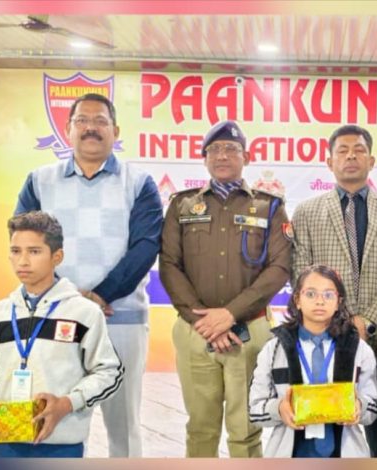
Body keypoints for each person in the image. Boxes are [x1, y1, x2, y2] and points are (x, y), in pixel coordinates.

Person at [14, 93, 163, 457]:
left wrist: (100, 296)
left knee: (123, 426)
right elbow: (23, 240)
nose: (91, 128)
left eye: (100, 121)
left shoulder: (139, 182)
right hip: (54, 317)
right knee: (50, 416)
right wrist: (67, 297)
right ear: (68, 129)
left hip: (120, 319)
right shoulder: (40, 180)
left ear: (116, 130)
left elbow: (145, 246)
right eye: (82, 120)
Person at [160, 120, 291, 457]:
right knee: (200, 429)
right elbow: (169, 265)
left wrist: (230, 315)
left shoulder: (270, 207)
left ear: (246, 157)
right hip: (195, 331)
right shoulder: (181, 205)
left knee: (246, 430)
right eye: (214, 149)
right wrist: (205, 321)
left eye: (231, 149)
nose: (222, 155)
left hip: (250, 331)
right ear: (204, 158)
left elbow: (279, 268)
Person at [291, 124, 377, 456]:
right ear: (329, 162)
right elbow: (301, 274)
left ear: (371, 161)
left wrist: (366, 321)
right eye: (342, 151)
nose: (350, 156)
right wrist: (339, 321)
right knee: (326, 424)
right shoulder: (307, 212)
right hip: (324, 335)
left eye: (359, 150)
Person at [0, 211, 123, 458]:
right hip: (5, 439)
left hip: (61, 444)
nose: (22, 261)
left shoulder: (83, 312)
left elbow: (109, 372)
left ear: (57, 257)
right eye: (15, 251)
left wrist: (67, 403)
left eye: (34, 251)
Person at [248, 264, 377, 457]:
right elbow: (254, 410)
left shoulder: (358, 349)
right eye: (310, 294)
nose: (320, 301)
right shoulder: (274, 349)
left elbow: (374, 406)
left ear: (338, 302)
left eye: (328, 295)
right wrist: (279, 409)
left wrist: (359, 406)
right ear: (297, 300)